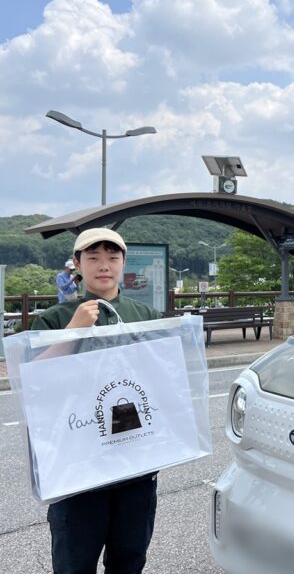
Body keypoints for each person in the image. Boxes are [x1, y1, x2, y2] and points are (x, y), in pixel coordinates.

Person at [32, 228, 161, 574]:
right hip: (76, 466)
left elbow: (163, 379)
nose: (104, 265)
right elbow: (33, 382)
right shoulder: (54, 318)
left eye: (112, 257)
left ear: (123, 262)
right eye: (93, 258)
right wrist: (74, 330)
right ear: (77, 264)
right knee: (74, 564)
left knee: (130, 560)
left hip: (136, 461)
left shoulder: (145, 315)